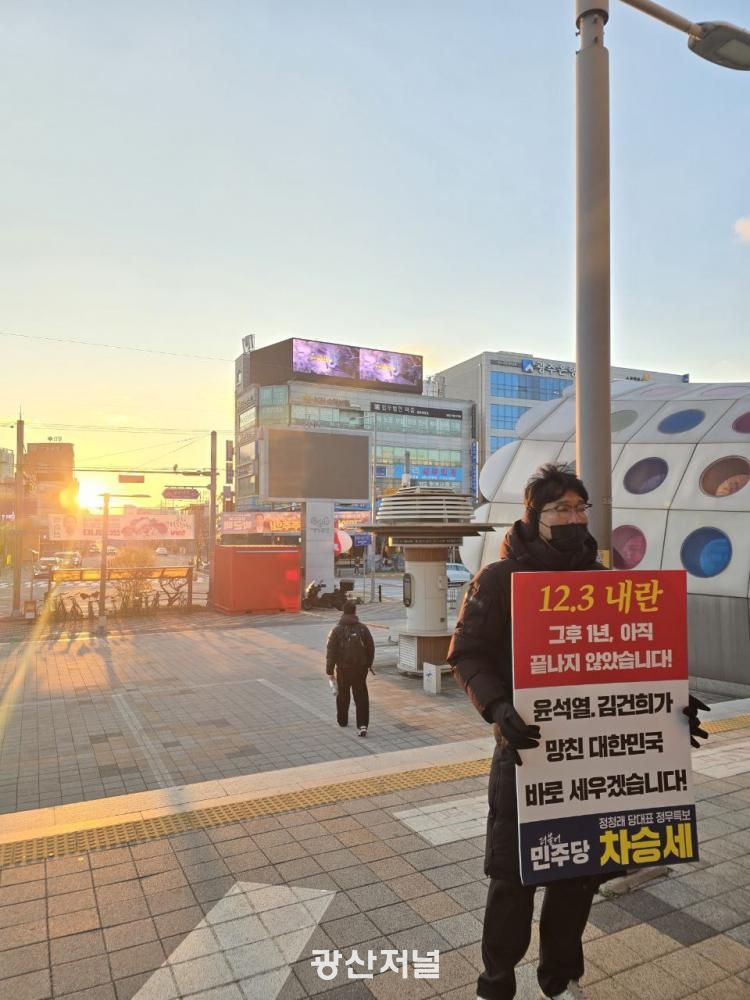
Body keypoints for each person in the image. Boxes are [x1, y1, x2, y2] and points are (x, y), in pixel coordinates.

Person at [447, 463, 709, 1000]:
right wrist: (497, 706)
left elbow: (632, 661)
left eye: (579, 508)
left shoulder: (605, 581)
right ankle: (496, 980)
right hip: (526, 757)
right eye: (560, 509)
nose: (573, 518)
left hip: (593, 765)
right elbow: (467, 654)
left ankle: (559, 977)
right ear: (533, 516)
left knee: (578, 875)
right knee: (513, 878)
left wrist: (672, 706)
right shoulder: (499, 580)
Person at [326, 600, 375, 737]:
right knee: (361, 696)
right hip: (360, 668)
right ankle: (363, 725)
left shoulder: (336, 630)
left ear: (343, 611)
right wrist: (368, 664)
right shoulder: (363, 628)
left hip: (343, 668)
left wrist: (329, 670)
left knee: (343, 694)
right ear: (355, 612)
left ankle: (342, 720)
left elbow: (331, 652)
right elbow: (371, 647)